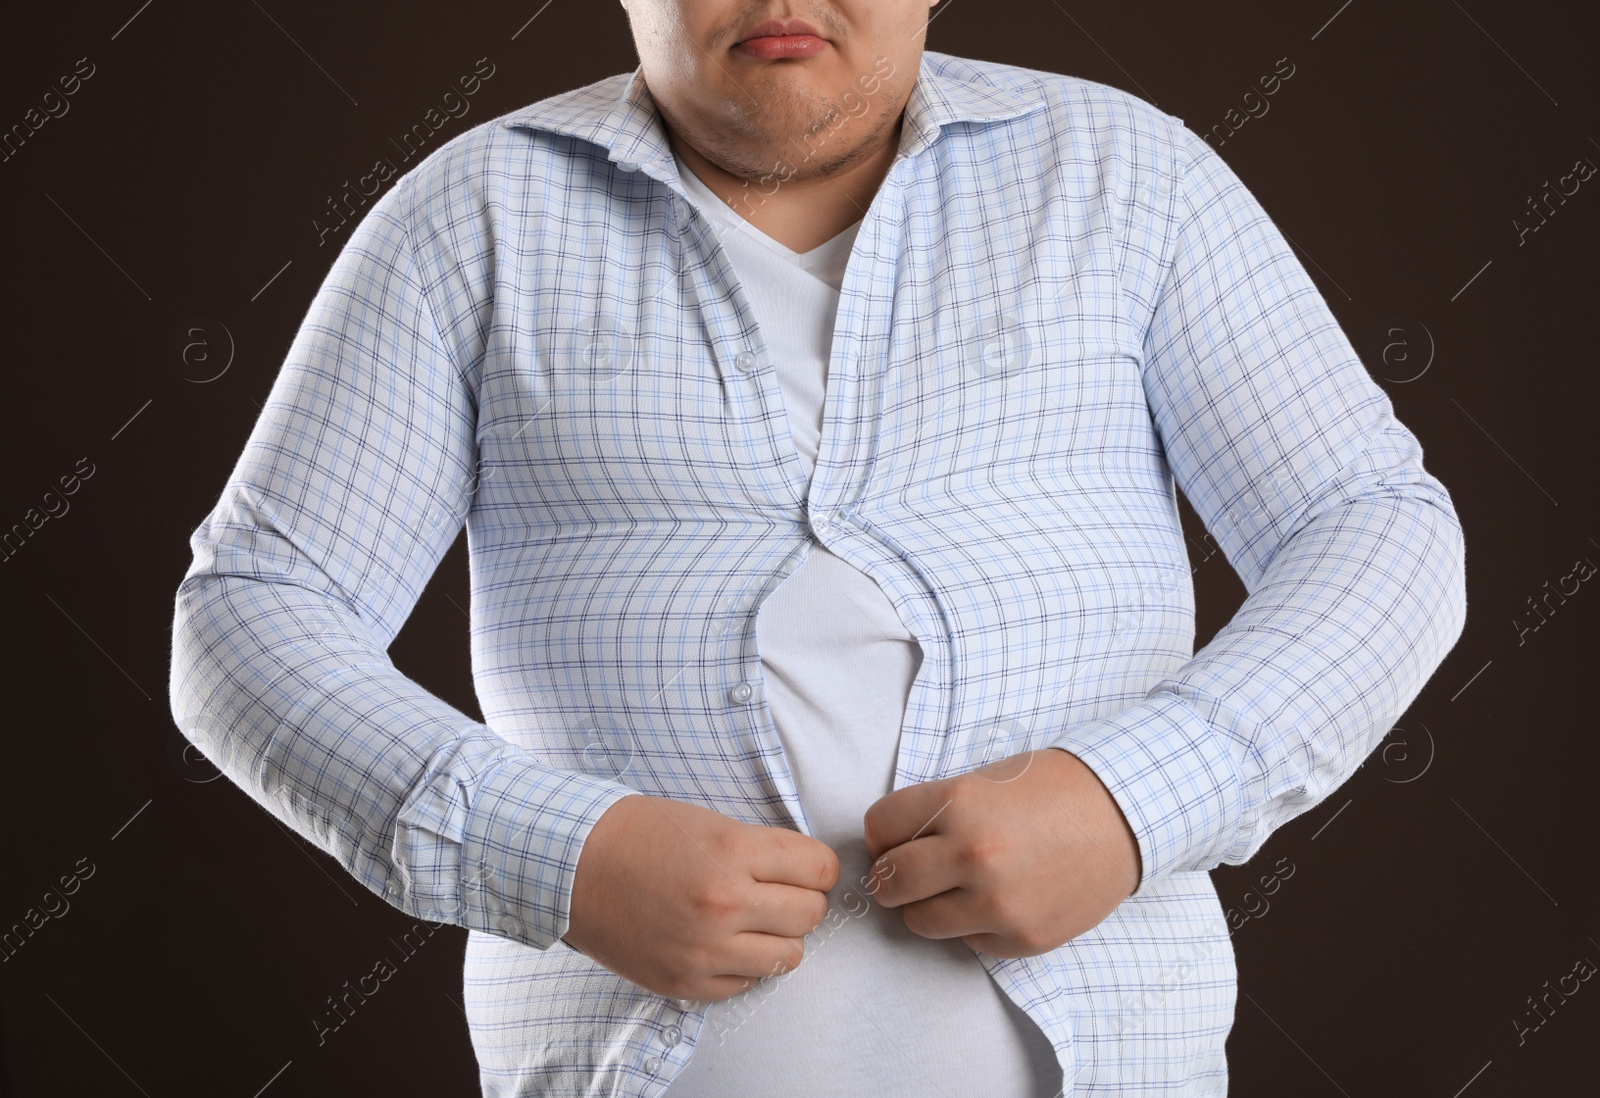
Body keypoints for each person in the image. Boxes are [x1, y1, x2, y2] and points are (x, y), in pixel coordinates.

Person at [168, 2, 1467, 1095]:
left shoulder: (1133, 181)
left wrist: (1137, 799)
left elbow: (1372, 525)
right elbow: (251, 615)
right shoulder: (467, 223)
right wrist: (556, 853)